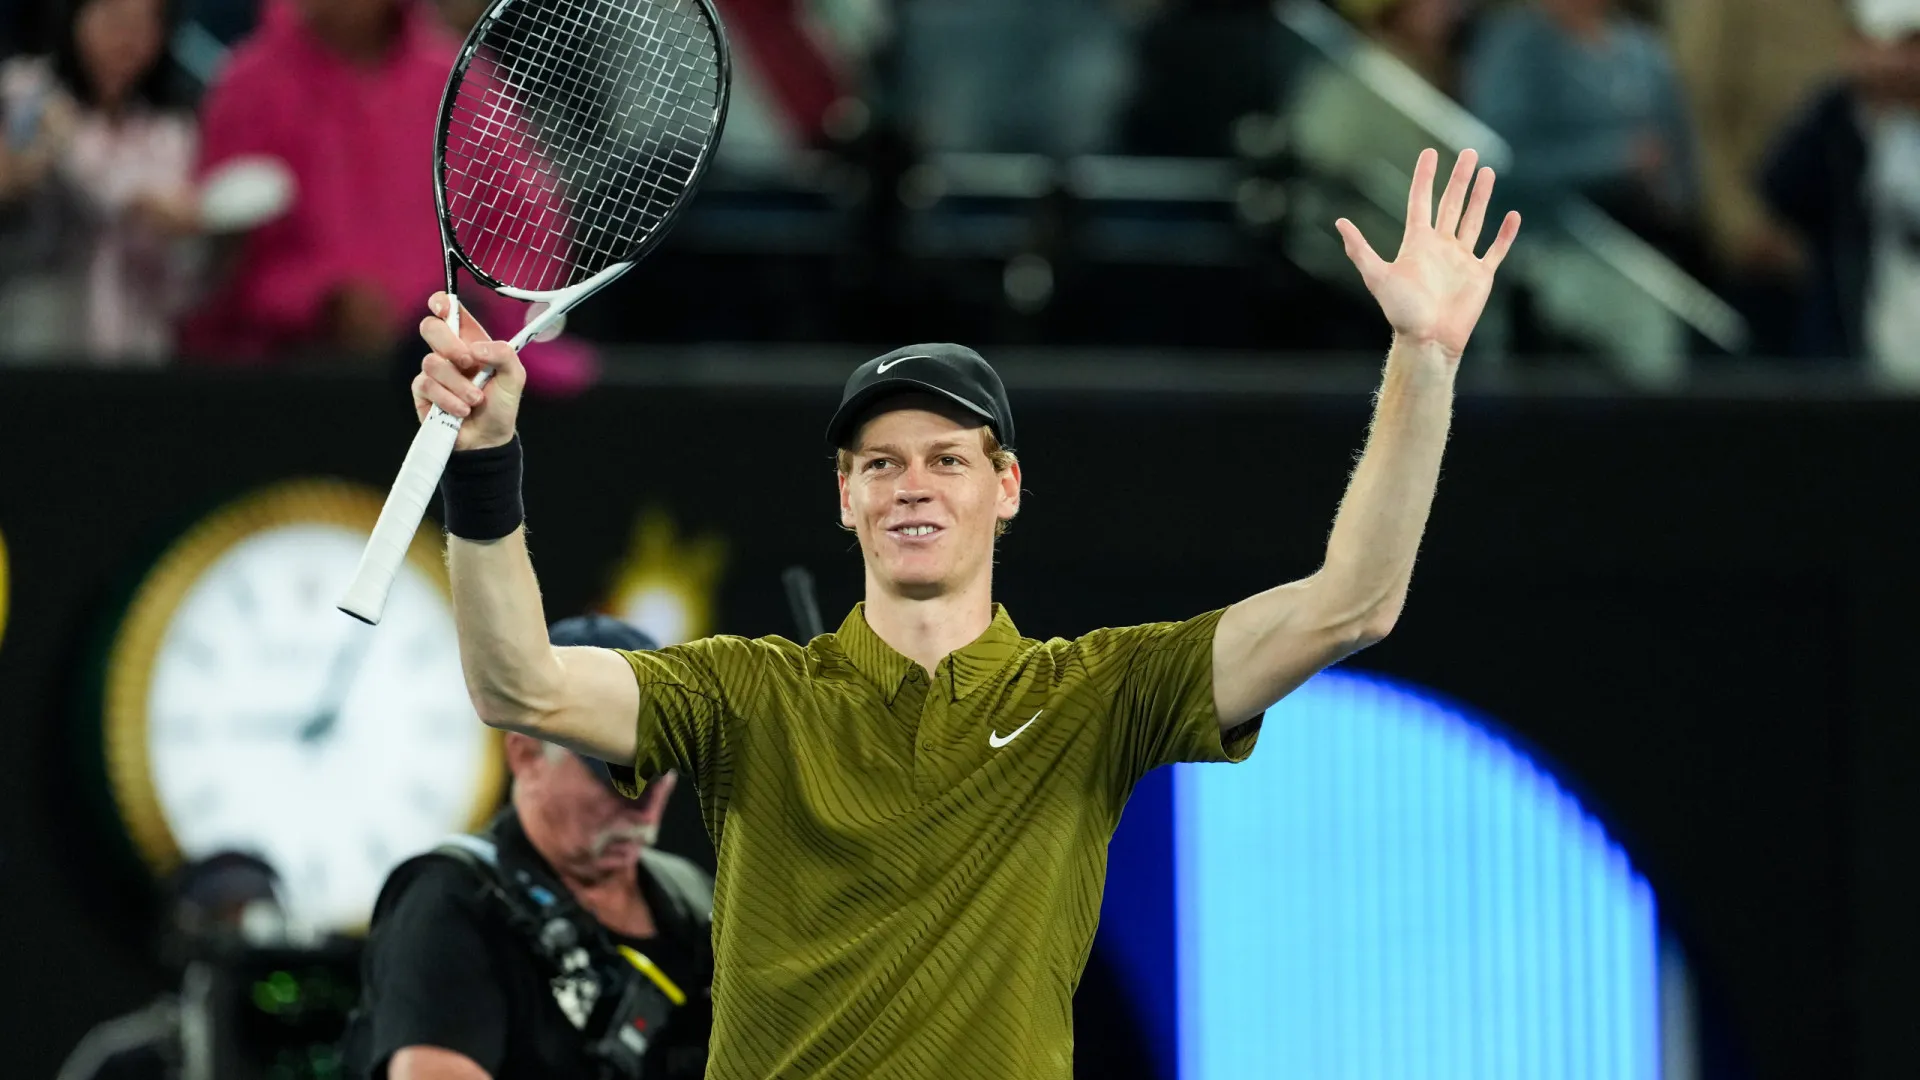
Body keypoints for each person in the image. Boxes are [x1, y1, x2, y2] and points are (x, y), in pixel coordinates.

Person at [406, 148, 1519, 1078]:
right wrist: (488, 460)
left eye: (948, 457)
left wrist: (1424, 359)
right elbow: (521, 686)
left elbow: (1352, 608)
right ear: (846, 499)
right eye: (881, 463)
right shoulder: (745, 695)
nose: (914, 485)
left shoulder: (1097, 694)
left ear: (1008, 487)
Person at [344, 615, 714, 1080]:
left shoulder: (692, 899)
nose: (644, 807)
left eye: (661, 772)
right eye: (617, 776)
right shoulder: (452, 903)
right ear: (526, 755)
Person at [0, 0, 199, 361]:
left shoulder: (171, 131)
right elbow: (30, 164)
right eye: (114, 18)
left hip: (137, 342)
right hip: (37, 331)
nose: (126, 38)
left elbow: (184, 273)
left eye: (143, 24)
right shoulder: (30, 92)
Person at [1462, 0, 1702, 267]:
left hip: (1642, 250)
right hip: (1544, 246)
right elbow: (1501, 160)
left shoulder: (1644, 53)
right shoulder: (1516, 46)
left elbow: (1678, 152)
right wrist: (1615, 159)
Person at [1760, 0, 1920, 381]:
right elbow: (1779, 186)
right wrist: (1850, 93)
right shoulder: (1836, 119)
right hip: (1859, 320)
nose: (1896, 62)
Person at [55, 851, 293, 1080]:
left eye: (255, 909)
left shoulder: (305, 1052)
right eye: (222, 912)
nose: (238, 927)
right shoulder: (129, 1062)